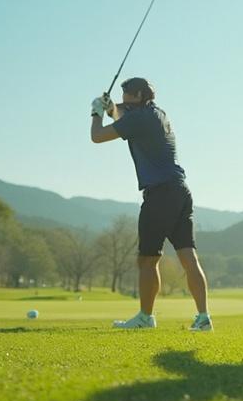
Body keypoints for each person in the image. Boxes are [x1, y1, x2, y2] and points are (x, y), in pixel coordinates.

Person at [90, 78, 212, 331]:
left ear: (138, 95)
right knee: (189, 257)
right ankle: (203, 318)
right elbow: (124, 115)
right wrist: (112, 108)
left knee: (147, 260)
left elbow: (97, 137)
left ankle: (145, 318)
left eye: (126, 96)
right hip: (181, 191)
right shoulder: (156, 113)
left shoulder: (139, 119)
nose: (123, 100)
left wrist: (96, 112)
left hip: (159, 195)